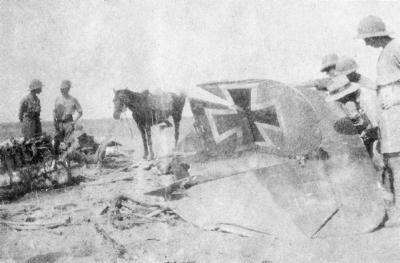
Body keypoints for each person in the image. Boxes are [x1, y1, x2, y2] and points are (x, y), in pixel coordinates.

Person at [356, 15, 400, 226]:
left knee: (397, 163)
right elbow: (382, 86)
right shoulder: (386, 53)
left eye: (367, 38)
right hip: (390, 119)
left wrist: (397, 97)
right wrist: (357, 79)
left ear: (376, 35)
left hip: (397, 114)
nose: (365, 43)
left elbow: (393, 91)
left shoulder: (396, 48)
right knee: (392, 163)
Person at [53, 80, 83, 155]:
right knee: (57, 141)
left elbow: (80, 112)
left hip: (69, 123)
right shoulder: (57, 99)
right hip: (59, 123)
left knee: (69, 142)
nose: (62, 90)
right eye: (61, 88)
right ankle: (56, 160)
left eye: (64, 88)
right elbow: (54, 111)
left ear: (68, 89)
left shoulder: (73, 99)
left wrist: (74, 122)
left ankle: (67, 159)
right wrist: (54, 120)